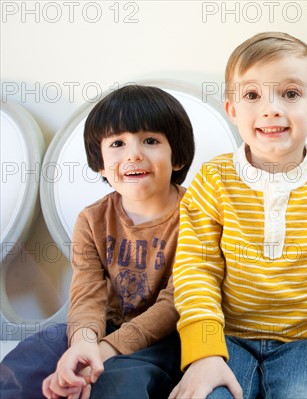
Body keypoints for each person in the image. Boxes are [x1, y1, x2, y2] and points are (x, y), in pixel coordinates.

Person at [170, 32, 307, 399]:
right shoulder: (213, 179)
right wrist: (204, 352)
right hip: (224, 339)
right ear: (233, 110)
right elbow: (195, 270)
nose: (271, 109)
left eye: (290, 94)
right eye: (252, 95)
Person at [0, 84, 195, 398]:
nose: (134, 153)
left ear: (177, 157)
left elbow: (175, 304)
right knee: (28, 360)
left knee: (117, 383)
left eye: (151, 140)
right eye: (118, 142)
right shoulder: (91, 220)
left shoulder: (197, 216)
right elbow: (86, 293)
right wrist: (84, 343)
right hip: (101, 327)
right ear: (101, 164)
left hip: (164, 338)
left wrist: (105, 350)